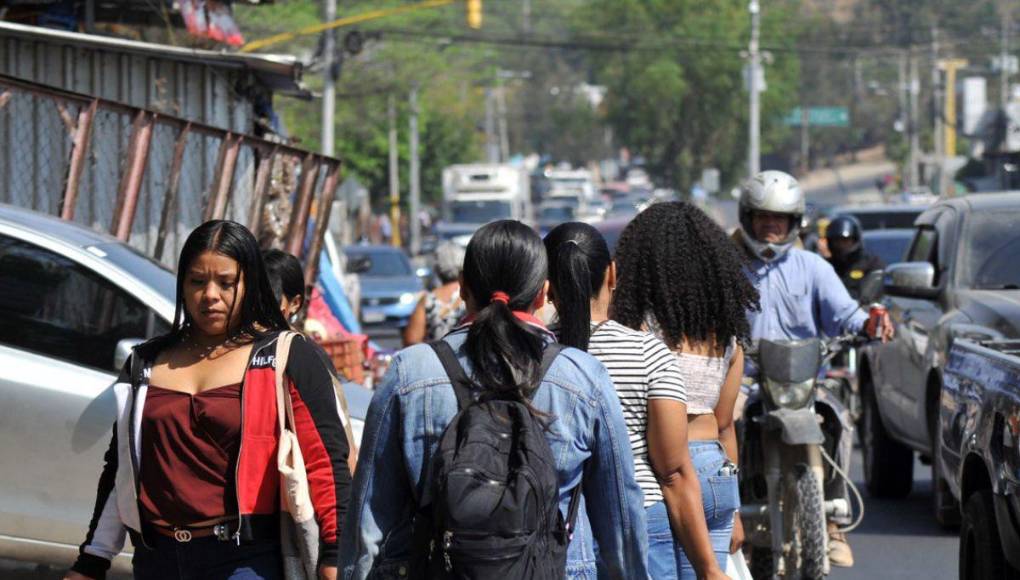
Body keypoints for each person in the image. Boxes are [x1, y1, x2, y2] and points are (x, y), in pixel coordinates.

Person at [338, 220, 648, 579]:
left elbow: (369, 519)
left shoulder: (411, 371)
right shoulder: (582, 375)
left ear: (464, 289)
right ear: (543, 294)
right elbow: (621, 517)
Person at [66, 221, 351, 580]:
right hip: (156, 561)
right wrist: (92, 560)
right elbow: (122, 467)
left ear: (250, 285)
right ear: (182, 286)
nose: (210, 295)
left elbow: (324, 462)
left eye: (226, 283)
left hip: (246, 563)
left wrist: (336, 553)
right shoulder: (146, 362)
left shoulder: (284, 355)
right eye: (197, 282)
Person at [544, 222, 728, 580]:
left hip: (553, 527)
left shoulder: (529, 352)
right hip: (641, 523)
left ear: (547, 287)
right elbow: (673, 472)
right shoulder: (648, 354)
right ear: (612, 274)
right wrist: (708, 568)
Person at [735, 170, 893, 567]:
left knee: (839, 417)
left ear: (794, 223)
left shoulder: (814, 268)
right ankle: (731, 514)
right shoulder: (729, 267)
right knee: (726, 424)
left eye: (780, 218)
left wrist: (870, 323)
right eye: (763, 217)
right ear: (748, 218)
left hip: (805, 382)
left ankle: (834, 519)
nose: (771, 225)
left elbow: (847, 315)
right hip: (748, 380)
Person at [611, 202, 759, 578]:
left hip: (662, 470)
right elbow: (724, 424)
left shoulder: (639, 333)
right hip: (715, 470)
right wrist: (735, 509)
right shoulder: (726, 339)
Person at [263, 248, 361, 474]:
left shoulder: (305, 356)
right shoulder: (237, 351)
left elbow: (340, 444)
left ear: (294, 303)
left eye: (268, 303)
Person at [401, 241, 466, 346]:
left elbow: (411, 340)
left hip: (436, 359)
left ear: (437, 268)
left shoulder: (429, 300)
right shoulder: (471, 296)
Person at [824, 215, 884, 301]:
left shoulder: (872, 264)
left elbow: (873, 296)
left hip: (861, 312)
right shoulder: (825, 266)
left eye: (845, 241)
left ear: (855, 240)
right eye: (836, 241)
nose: (841, 245)